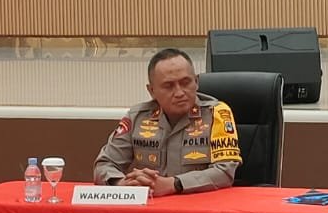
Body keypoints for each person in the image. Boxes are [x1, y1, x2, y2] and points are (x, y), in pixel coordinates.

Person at [93, 49, 241, 194]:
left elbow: (225, 171)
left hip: (198, 204)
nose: (179, 93)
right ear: (152, 91)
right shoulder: (137, 117)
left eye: (185, 83)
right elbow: (105, 164)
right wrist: (121, 184)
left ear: (196, 82)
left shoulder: (217, 114)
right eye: (168, 86)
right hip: (152, 204)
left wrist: (174, 184)